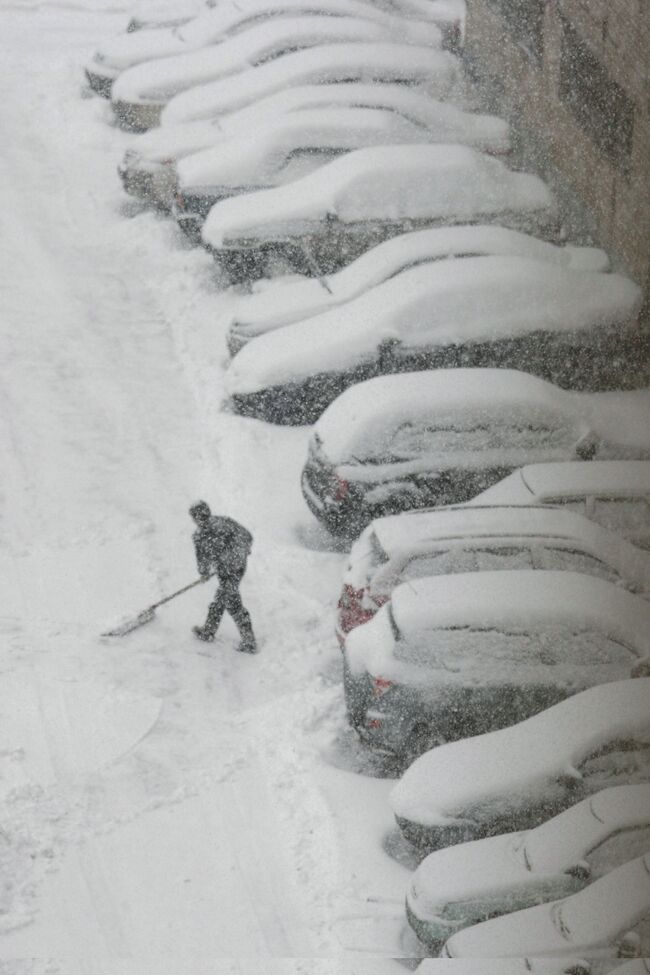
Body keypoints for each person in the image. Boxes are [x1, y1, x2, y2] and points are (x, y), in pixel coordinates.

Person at [189, 500, 257, 653]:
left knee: (232, 602)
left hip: (230, 570)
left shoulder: (200, 535)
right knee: (223, 597)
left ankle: (249, 642)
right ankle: (208, 631)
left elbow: (202, 560)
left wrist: (204, 573)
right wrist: (243, 551)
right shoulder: (224, 522)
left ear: (195, 518)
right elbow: (247, 536)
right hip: (236, 567)